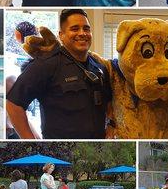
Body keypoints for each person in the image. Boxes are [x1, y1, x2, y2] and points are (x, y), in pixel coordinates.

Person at [6, 9, 112, 139]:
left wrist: (111, 126)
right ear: (61, 35)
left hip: (96, 148)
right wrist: (31, 141)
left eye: (86, 29)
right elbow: (13, 104)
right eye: (74, 29)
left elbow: (110, 103)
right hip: (61, 149)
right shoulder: (45, 65)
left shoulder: (99, 67)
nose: (82, 33)